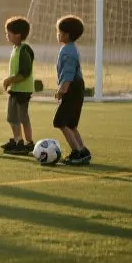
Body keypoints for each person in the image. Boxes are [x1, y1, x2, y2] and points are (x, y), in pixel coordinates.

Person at [54, 15, 91, 165]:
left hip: (72, 87)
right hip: (76, 87)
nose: (57, 34)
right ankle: (82, 150)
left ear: (66, 35)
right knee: (70, 123)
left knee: (60, 121)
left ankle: (77, 153)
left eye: (59, 31)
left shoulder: (68, 51)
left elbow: (68, 73)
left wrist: (62, 90)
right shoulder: (69, 48)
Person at [0, 16, 37, 155]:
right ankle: (17, 140)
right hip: (15, 90)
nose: (6, 35)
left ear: (18, 35)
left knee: (22, 117)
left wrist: (10, 80)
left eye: (8, 33)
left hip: (23, 91)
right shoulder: (15, 48)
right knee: (11, 117)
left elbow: (25, 73)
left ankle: (29, 143)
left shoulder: (24, 50)